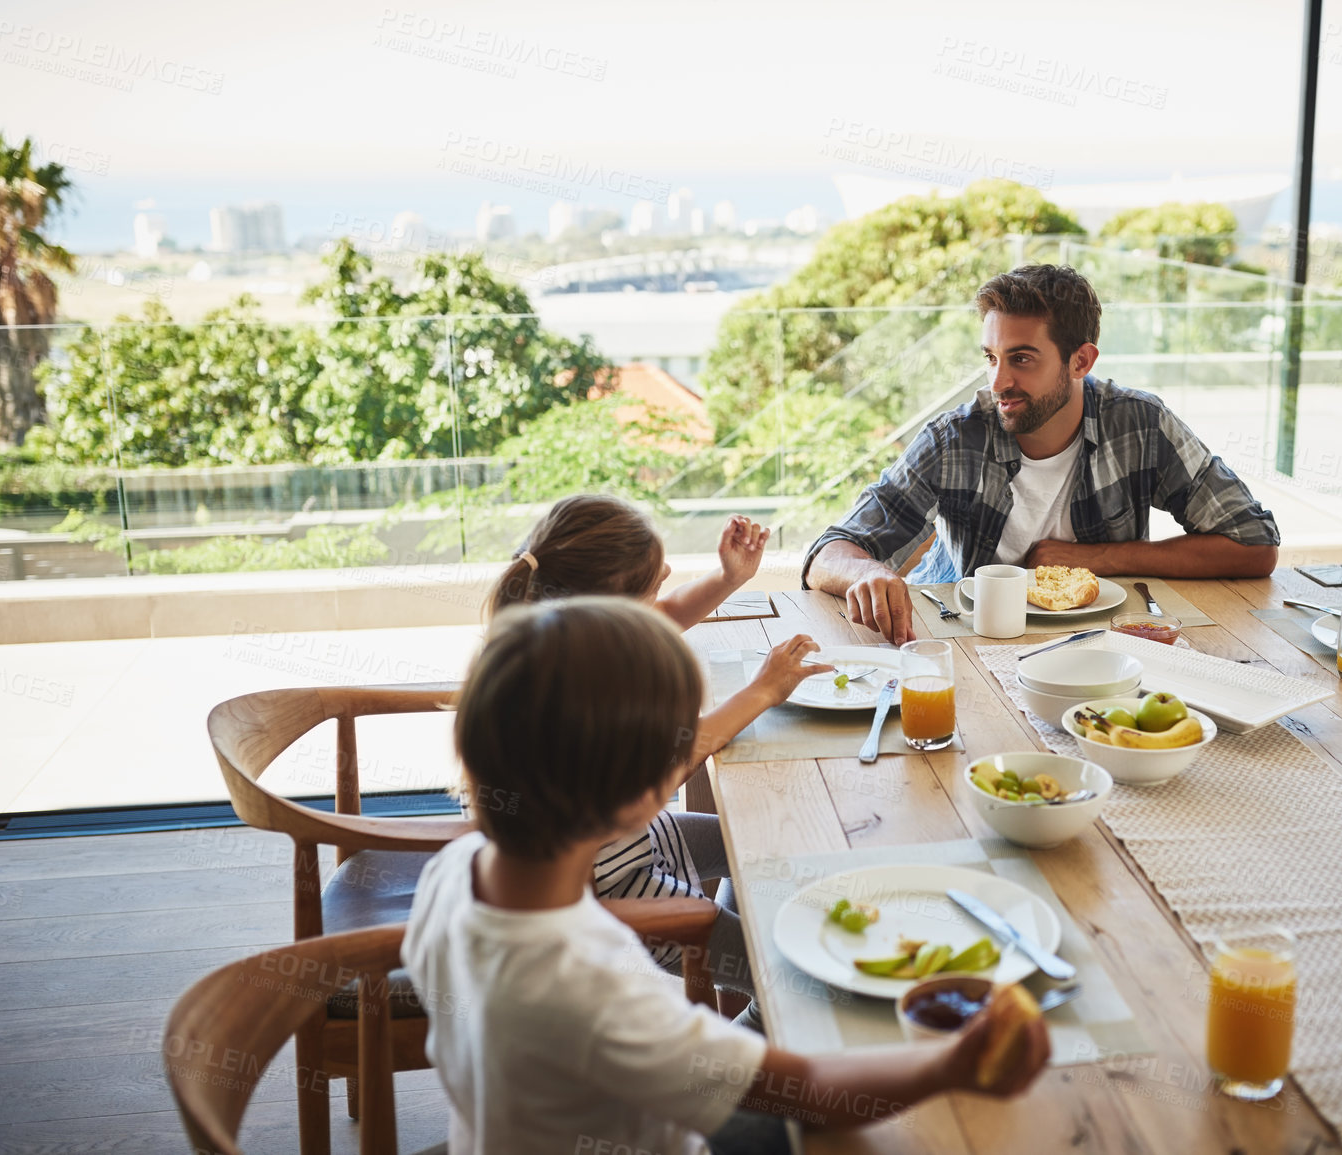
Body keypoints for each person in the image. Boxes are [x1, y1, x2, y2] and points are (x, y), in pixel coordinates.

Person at [404, 598, 1051, 1155]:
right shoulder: (592, 984)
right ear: (642, 796)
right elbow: (816, 1093)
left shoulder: (451, 871)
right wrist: (950, 1063)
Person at [803, 263, 1280, 644]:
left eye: (1022, 359)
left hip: (1103, 645)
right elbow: (827, 554)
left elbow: (1255, 545)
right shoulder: (955, 438)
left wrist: (1095, 559)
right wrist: (866, 572)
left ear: (1082, 361)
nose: (999, 382)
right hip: (970, 640)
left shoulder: (1140, 423)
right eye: (992, 357)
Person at [488, 495, 832, 1009]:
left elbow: (665, 616)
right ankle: (739, 1079)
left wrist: (728, 577)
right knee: (794, 986)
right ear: (610, 614)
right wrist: (763, 691)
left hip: (626, 848)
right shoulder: (577, 696)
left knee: (759, 844)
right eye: (652, 587)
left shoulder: (555, 641)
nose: (668, 574)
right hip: (615, 896)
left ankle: (746, 970)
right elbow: (668, 766)